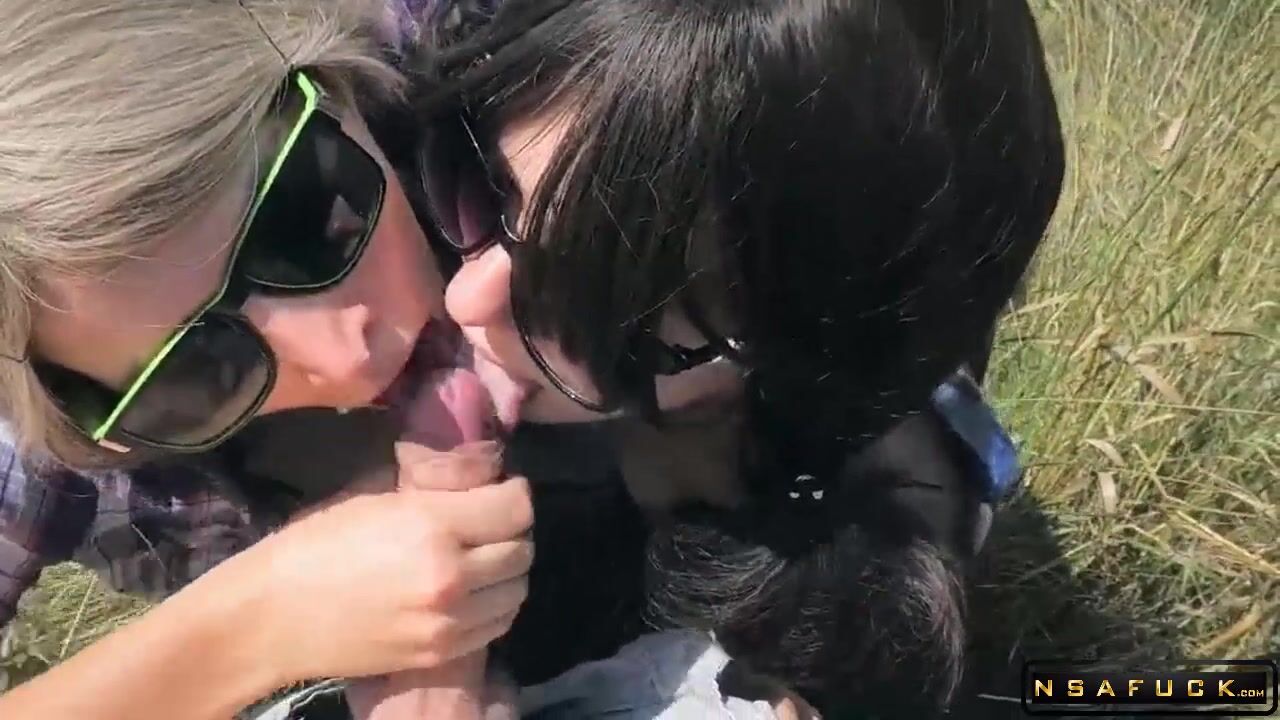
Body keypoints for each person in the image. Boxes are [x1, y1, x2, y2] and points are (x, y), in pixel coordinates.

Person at [388, 0, 1064, 716]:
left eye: (594, 296)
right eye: (486, 184)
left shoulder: (857, 564)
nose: (468, 298)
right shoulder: (393, 125)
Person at [0, 2, 536, 718]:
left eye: (303, 225)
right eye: (195, 373)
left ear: (333, 81)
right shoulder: (38, 454)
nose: (344, 358)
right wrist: (252, 630)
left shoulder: (489, 52)